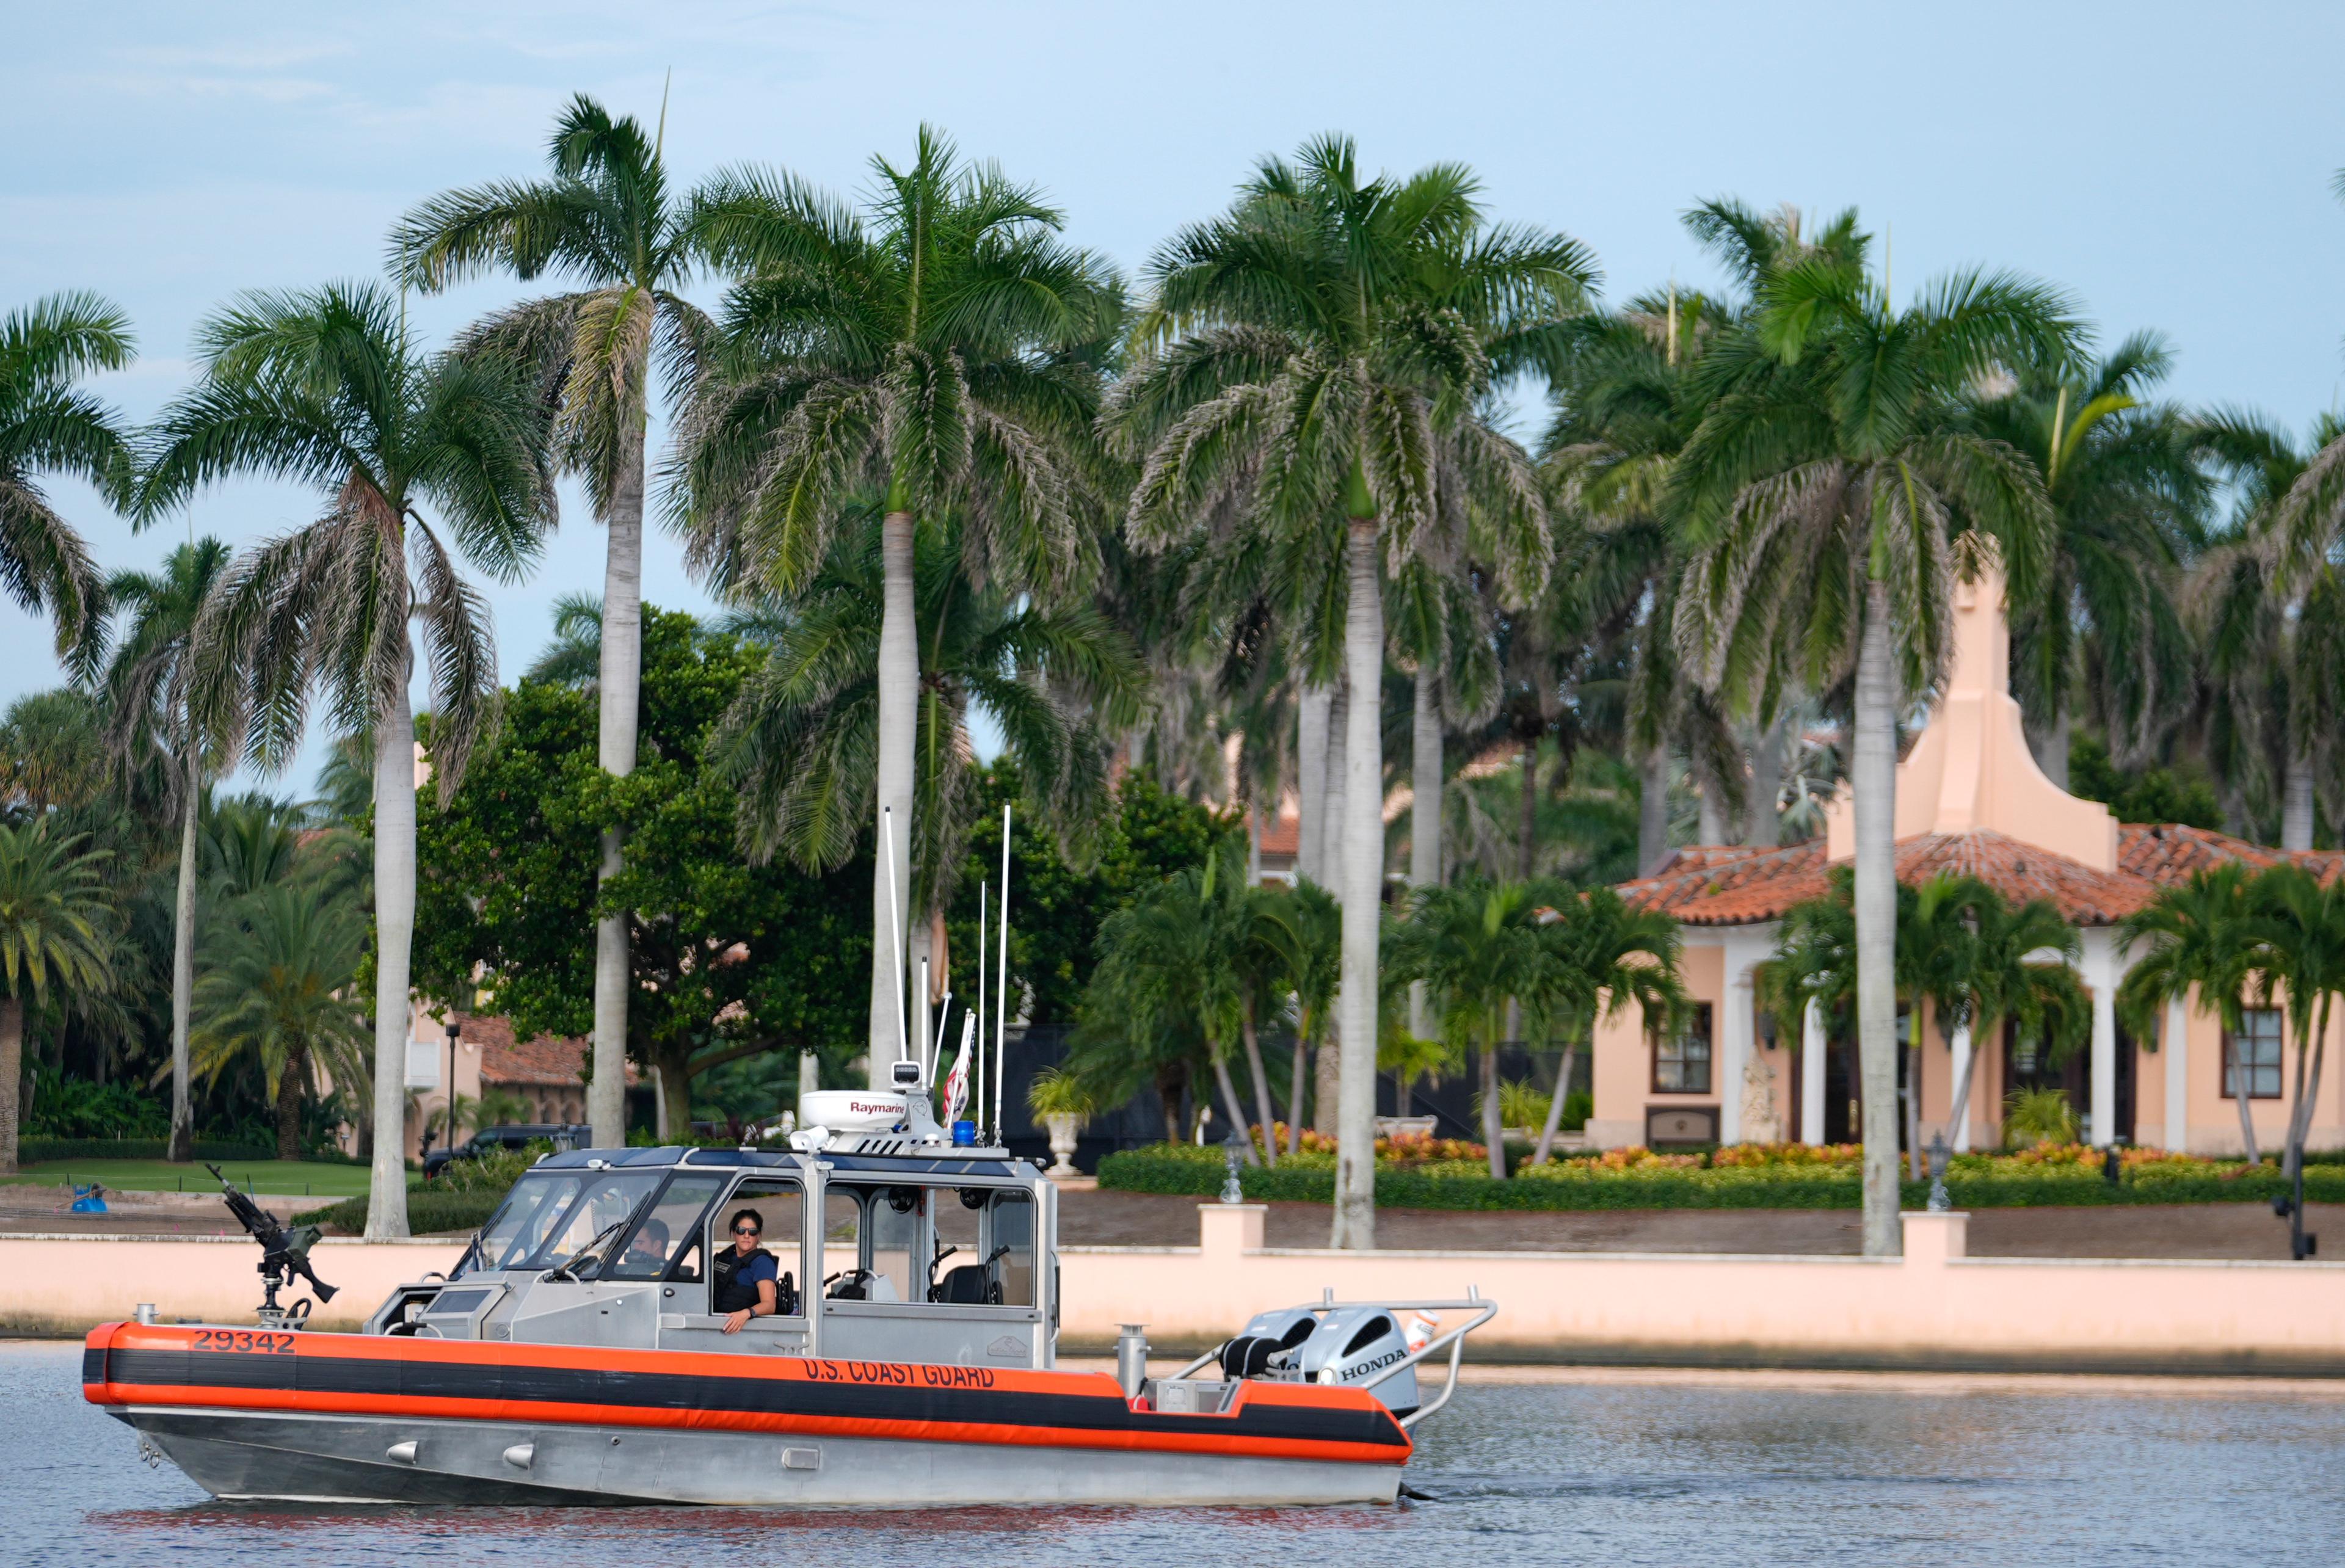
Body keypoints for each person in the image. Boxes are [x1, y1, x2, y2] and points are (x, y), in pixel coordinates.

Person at [713, 1207, 780, 1332]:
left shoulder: (762, 1263)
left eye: (753, 1232)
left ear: (758, 1236)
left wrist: (746, 1313)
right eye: (741, 1230)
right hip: (713, 1324)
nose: (747, 1236)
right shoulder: (725, 1257)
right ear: (733, 1233)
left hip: (741, 1331)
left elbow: (769, 1305)